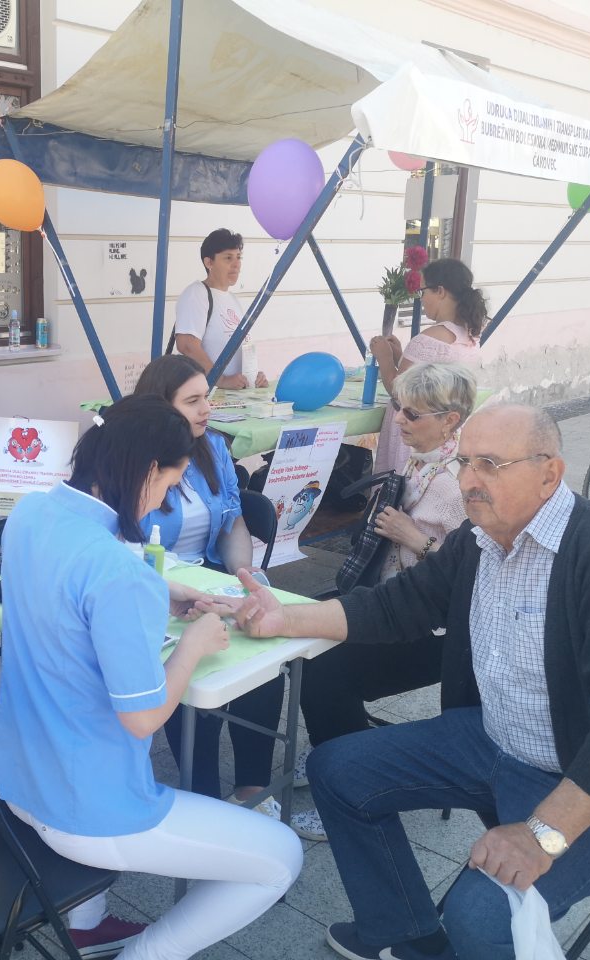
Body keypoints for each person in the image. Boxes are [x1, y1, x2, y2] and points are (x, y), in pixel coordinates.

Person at [205, 404, 590, 960]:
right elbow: (394, 608)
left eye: (489, 464)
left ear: (549, 474)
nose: (467, 480)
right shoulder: (478, 540)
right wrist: (283, 618)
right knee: (336, 770)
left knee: (481, 918)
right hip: (494, 741)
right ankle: (408, 935)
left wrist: (542, 835)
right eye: (464, 461)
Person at [0, 396, 302, 960]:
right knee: (281, 858)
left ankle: (84, 927)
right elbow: (142, 718)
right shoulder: (115, 572)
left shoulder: (30, 514)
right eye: (169, 486)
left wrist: (163, 590)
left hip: (16, 779)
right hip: (87, 807)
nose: (163, 503)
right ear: (147, 472)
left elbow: (74, 589)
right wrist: (193, 644)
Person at [290, 362, 477, 842]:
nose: (399, 421)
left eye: (412, 414)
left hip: (433, 628)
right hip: (389, 601)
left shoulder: (462, 484)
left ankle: (350, 788)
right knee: (312, 639)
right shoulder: (422, 460)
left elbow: (474, 578)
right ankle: (333, 753)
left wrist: (416, 540)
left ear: (450, 419)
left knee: (327, 668)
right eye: (399, 408)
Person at [133, 354, 314, 837]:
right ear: (161, 407)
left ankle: (252, 786)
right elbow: (127, 546)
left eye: (207, 396)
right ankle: (202, 794)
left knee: (266, 652)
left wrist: (243, 571)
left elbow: (233, 519)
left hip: (212, 576)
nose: (207, 408)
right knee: (194, 677)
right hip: (158, 582)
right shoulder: (136, 458)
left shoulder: (212, 448)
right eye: (193, 400)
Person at [371, 257, 484, 474]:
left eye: (423, 292)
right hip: (443, 430)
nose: (422, 300)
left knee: (402, 485)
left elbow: (399, 390)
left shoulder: (429, 338)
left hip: (416, 429)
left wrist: (384, 358)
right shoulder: (468, 335)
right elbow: (427, 378)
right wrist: (399, 357)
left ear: (440, 291)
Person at [173, 228, 269, 390]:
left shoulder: (233, 300)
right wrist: (221, 379)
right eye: (228, 258)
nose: (236, 264)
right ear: (209, 262)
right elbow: (187, 345)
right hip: (209, 398)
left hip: (237, 399)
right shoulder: (196, 293)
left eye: (239, 257)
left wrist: (254, 377)